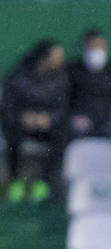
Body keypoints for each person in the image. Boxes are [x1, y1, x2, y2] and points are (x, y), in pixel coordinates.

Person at [1, 39, 68, 203]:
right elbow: (8, 104)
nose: (60, 60)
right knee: (11, 134)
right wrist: (22, 117)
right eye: (57, 56)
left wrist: (48, 119)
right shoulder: (19, 75)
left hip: (46, 125)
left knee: (61, 137)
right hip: (22, 123)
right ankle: (15, 182)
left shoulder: (61, 77)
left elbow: (64, 106)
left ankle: (43, 184)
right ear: (44, 57)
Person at [66, 29, 111, 141]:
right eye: (92, 46)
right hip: (79, 125)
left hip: (109, 126)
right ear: (84, 47)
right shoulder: (71, 71)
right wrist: (72, 117)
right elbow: (63, 99)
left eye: (100, 46)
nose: (96, 50)